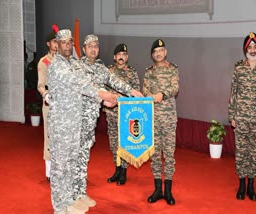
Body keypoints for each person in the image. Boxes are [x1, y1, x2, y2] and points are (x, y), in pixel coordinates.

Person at [47, 29, 118, 214]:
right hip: (61, 124)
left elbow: (88, 83)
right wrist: (103, 94)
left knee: (71, 164)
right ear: (57, 44)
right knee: (60, 167)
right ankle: (59, 207)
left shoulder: (74, 64)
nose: (68, 45)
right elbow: (80, 84)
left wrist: (103, 99)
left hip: (74, 123)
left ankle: (69, 201)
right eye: (64, 42)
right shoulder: (57, 65)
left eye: (71, 42)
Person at [72, 36, 143, 210]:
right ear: (83, 48)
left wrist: (132, 91)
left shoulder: (101, 68)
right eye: (90, 46)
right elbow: (88, 87)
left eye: (96, 46)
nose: (94, 49)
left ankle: (81, 193)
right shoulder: (77, 66)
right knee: (74, 158)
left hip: (90, 121)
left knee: (84, 158)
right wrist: (106, 97)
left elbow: (114, 81)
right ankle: (72, 197)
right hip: (76, 119)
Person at [228, 32, 256, 201]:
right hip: (240, 117)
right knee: (240, 152)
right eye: (249, 47)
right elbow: (233, 92)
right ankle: (241, 184)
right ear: (245, 49)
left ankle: (251, 186)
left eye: (255, 47)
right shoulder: (238, 68)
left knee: (254, 153)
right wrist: (232, 115)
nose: (252, 50)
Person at [143, 39, 179, 205]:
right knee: (155, 154)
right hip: (153, 118)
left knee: (169, 154)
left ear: (165, 52)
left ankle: (168, 191)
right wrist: (151, 96)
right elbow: (145, 90)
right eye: (155, 51)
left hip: (169, 118)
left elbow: (175, 88)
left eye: (161, 50)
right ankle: (158, 189)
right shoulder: (149, 72)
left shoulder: (172, 69)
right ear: (152, 55)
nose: (158, 53)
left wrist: (162, 95)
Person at [104, 43, 141, 186]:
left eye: (124, 55)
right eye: (119, 54)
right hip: (111, 113)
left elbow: (136, 92)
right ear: (114, 57)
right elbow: (103, 89)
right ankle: (117, 169)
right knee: (114, 143)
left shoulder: (132, 72)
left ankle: (124, 171)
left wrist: (121, 98)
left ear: (127, 57)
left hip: (126, 114)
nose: (121, 57)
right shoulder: (108, 71)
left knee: (124, 143)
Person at [37, 26, 58, 182]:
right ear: (48, 44)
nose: (57, 44)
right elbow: (40, 85)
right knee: (49, 136)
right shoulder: (44, 62)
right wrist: (46, 94)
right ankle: (49, 172)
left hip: (65, 104)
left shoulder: (66, 61)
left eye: (59, 41)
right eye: (54, 42)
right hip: (50, 104)